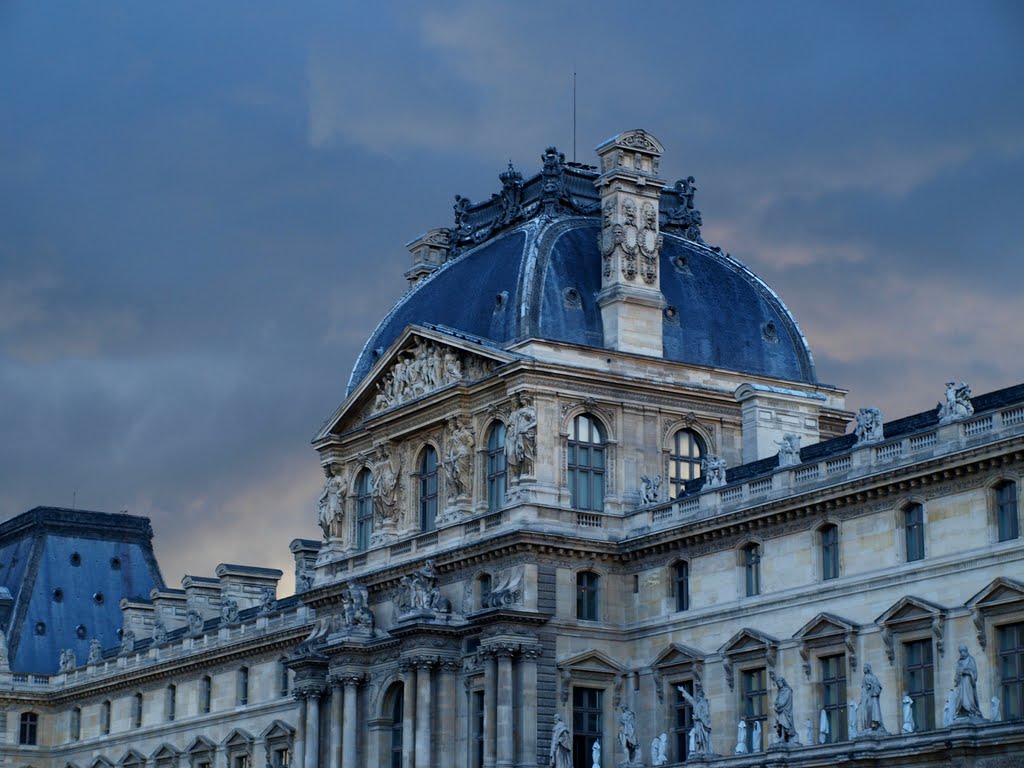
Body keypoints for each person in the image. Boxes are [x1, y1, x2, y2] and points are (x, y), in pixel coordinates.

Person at [678, 683, 712, 754]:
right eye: (697, 696)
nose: (697, 697)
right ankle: (700, 750)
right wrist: (683, 691)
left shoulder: (704, 703)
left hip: (702, 724)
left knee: (703, 738)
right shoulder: (697, 703)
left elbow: (706, 714)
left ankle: (704, 750)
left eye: (698, 696)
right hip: (698, 724)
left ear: (701, 696)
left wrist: (697, 718)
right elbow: (690, 699)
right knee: (699, 738)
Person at [952, 645, 982, 718]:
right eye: (960, 652)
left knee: (969, 697)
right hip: (961, 683)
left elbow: (974, 672)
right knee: (960, 698)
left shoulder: (971, 660)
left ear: (966, 652)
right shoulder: (959, 661)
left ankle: (971, 710)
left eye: (963, 652)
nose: (962, 654)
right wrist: (958, 675)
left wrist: (965, 672)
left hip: (968, 682)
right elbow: (957, 673)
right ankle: (961, 711)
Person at [859, 663, 885, 732]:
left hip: (872, 698)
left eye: (865, 667)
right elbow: (863, 690)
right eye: (863, 667)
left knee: (874, 712)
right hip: (866, 699)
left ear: (868, 668)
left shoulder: (872, 677)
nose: (863, 669)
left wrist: (871, 687)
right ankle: (868, 726)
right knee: (866, 712)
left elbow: (878, 687)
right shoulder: (864, 678)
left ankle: (874, 725)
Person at [773, 676, 796, 743]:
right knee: (780, 724)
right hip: (780, 710)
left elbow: (785, 701)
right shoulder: (780, 692)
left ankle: (783, 736)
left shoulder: (788, 691)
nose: (779, 684)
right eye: (778, 683)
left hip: (785, 710)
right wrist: (776, 705)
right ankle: (781, 736)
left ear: (783, 682)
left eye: (779, 683)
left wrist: (778, 706)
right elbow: (777, 701)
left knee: (783, 724)